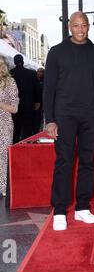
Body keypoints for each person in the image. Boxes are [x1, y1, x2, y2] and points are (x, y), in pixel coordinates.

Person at [43, 11, 94, 231]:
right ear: (69, 27)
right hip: (64, 116)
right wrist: (50, 119)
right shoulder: (56, 53)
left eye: (84, 25)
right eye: (76, 25)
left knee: (88, 162)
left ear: (88, 26)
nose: (80, 29)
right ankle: (60, 210)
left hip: (90, 117)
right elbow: (49, 89)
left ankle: (82, 207)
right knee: (64, 162)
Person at [10, 54, 40, 143]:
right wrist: (37, 101)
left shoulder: (10, 73)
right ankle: (27, 145)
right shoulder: (32, 73)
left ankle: (15, 146)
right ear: (23, 62)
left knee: (16, 128)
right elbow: (37, 88)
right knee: (27, 128)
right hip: (29, 104)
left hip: (14, 105)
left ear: (14, 62)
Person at [0, 56, 19, 197]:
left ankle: (4, 186)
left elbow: (14, 108)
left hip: (4, 123)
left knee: (4, 155)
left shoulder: (10, 82)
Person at [32, 67, 45, 133]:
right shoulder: (34, 80)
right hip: (36, 102)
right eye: (38, 72)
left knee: (39, 118)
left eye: (41, 72)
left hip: (42, 103)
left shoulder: (45, 82)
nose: (39, 73)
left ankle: (38, 130)